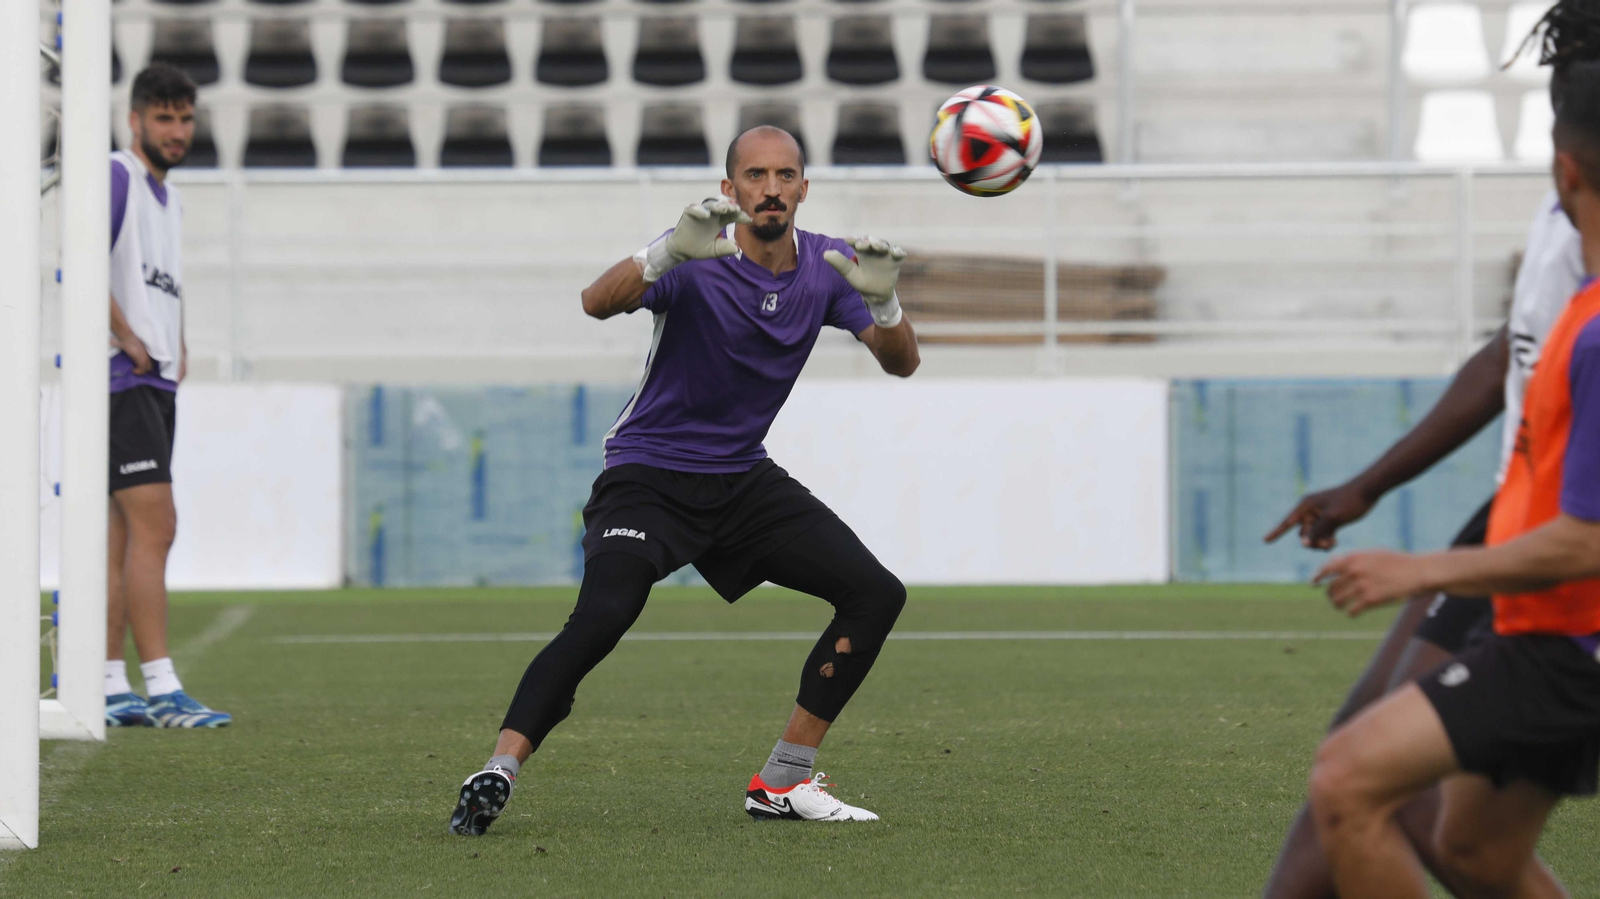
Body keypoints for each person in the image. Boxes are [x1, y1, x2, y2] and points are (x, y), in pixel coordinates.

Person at [448, 126, 921, 835]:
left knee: (875, 593)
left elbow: (901, 363)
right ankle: (497, 769)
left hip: (742, 480)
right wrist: (664, 249)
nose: (770, 188)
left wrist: (886, 306)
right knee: (605, 613)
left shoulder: (828, 264)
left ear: (802, 187)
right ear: (730, 189)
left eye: (784, 174)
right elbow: (594, 301)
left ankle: (783, 780)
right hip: (648, 475)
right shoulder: (699, 250)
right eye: (755, 176)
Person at [1259, 5, 1595, 893]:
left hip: (1561, 539)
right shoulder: (1561, 224)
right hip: (1522, 514)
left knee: (1369, 782)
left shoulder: (1582, 238)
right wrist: (1368, 486)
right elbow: (1506, 357)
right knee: (1432, 820)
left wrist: (1411, 565)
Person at [101, 64, 232, 729]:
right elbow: (84, 264)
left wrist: (178, 343)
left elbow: (163, 283)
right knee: (158, 526)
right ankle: (161, 686)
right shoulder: (117, 174)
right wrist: (125, 337)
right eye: (164, 118)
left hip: (154, 376)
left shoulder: (170, 197)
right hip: (121, 377)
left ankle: (103, 681)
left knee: (121, 536)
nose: (177, 131)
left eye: (185, 119)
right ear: (135, 119)